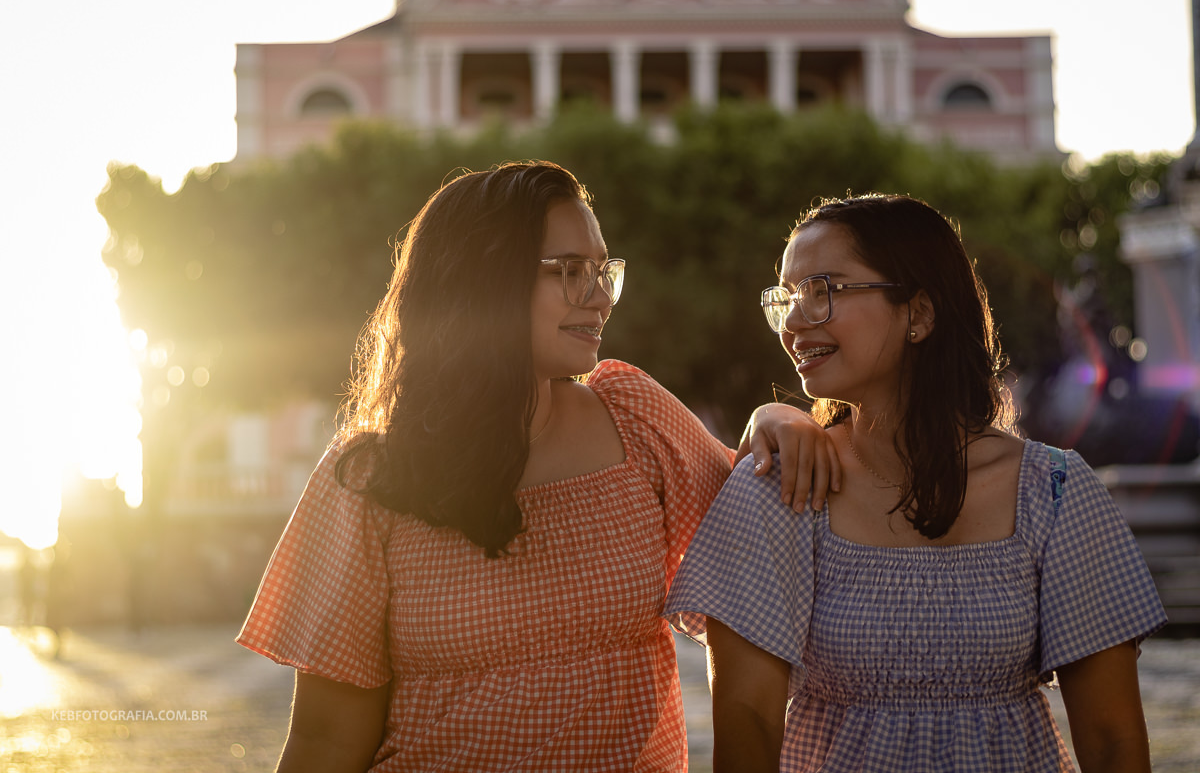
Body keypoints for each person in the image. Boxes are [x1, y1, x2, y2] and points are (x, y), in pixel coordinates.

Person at [237, 161, 836, 772]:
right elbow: (326, 739)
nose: (600, 298)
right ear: (484, 281)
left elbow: (762, 536)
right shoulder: (369, 477)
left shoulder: (635, 418)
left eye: (602, 272)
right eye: (570, 272)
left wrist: (774, 416)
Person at [665, 193, 1168, 772]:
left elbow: (1112, 740)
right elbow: (747, 719)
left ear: (920, 313)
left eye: (823, 290)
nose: (795, 322)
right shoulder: (781, 485)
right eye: (787, 298)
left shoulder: (1054, 492)